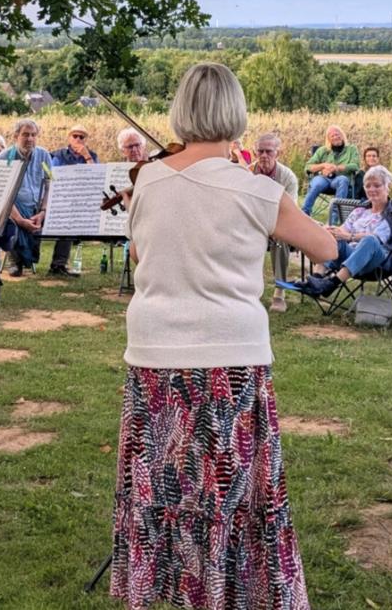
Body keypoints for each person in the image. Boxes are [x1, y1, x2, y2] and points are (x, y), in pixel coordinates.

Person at [113, 61, 335, 610]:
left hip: (155, 353)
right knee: (227, 488)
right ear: (236, 114)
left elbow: (140, 253)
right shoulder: (257, 190)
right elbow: (325, 248)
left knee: (165, 484)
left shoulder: (147, 181)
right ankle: (224, 591)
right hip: (229, 357)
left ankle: (172, 587)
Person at [290, 165, 392, 299]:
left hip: (377, 262)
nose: (372, 189)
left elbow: (377, 239)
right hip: (350, 255)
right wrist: (330, 230)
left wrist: (349, 236)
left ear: (388, 186)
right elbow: (342, 231)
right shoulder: (359, 211)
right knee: (330, 236)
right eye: (368, 186)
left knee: (370, 240)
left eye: (377, 185)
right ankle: (317, 280)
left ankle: (332, 284)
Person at [0, 118, 53, 277]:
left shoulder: (43, 156)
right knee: (13, 214)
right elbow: (4, 194)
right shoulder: (5, 157)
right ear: (16, 136)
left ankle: (59, 263)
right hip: (13, 208)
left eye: (33, 135)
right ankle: (16, 260)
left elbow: (50, 185)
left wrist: (43, 211)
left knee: (67, 216)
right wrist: (20, 219)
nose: (30, 139)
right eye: (25, 134)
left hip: (39, 206)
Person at [252, 132, 300, 312]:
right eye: (260, 151)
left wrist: (272, 227)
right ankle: (247, 291)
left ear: (277, 153)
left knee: (281, 240)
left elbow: (290, 211)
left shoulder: (287, 177)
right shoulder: (247, 173)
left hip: (278, 223)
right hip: (254, 223)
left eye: (269, 151)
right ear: (255, 152)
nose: (264, 155)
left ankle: (279, 292)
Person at [47, 123, 101, 277]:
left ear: (85, 140)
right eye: (75, 136)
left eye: (81, 137)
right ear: (69, 138)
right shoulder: (58, 155)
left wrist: (86, 156)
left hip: (83, 198)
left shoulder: (92, 155)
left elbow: (97, 176)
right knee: (68, 220)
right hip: (62, 197)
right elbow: (52, 176)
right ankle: (57, 264)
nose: (78, 139)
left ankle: (59, 264)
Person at [301, 124, 360, 221]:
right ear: (328, 139)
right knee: (317, 183)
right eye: (332, 136)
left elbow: (355, 165)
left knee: (343, 180)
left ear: (342, 135)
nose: (335, 137)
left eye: (337, 134)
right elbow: (308, 167)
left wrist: (336, 168)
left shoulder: (351, 149)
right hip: (324, 178)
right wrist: (323, 165)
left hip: (340, 179)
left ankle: (333, 219)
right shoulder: (322, 150)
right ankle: (304, 214)